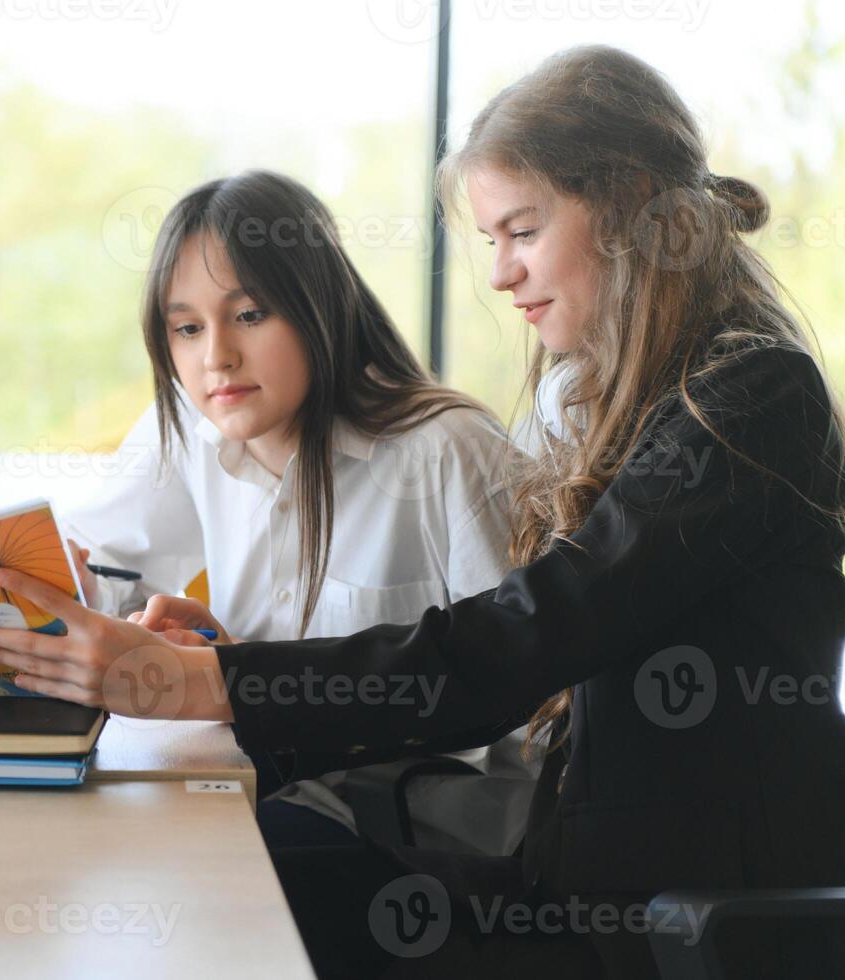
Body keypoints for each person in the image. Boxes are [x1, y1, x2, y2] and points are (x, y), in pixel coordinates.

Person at [0, 46, 845, 979]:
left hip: (677, 927)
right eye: (491, 239)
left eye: (520, 231)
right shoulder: (630, 396)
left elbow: (519, 643)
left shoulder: (746, 398)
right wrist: (230, 662)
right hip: (588, 883)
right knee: (224, 868)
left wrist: (214, 683)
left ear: (624, 206)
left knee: (244, 882)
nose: (499, 273)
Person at [60, 169, 539, 857]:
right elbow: (95, 560)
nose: (215, 357)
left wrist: (244, 685)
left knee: (182, 870)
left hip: (420, 834)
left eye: (249, 315)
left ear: (317, 306)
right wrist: (211, 657)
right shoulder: (193, 427)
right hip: (262, 792)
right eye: (186, 329)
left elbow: (522, 688)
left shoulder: (445, 452)